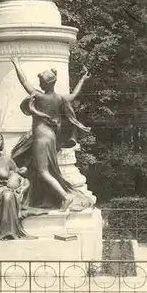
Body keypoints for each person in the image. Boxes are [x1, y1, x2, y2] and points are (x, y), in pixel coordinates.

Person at [11, 57, 91, 211]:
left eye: (41, 81)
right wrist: (82, 79)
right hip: (51, 137)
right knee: (41, 169)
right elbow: (74, 95)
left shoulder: (39, 96)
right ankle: (39, 197)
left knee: (43, 171)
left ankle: (65, 197)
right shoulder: (60, 98)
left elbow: (24, 82)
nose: (39, 84)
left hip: (41, 138)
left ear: (46, 83)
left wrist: (16, 64)